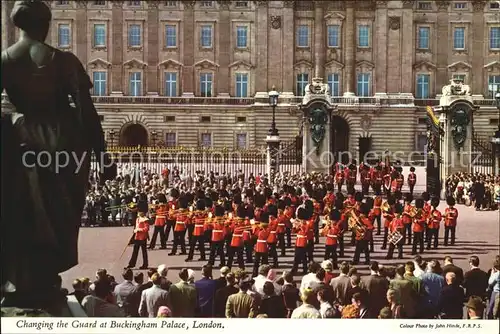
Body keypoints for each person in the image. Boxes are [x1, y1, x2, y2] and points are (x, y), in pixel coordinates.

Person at [1, 0, 113, 310]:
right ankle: (44, 274)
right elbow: (88, 115)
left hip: (18, 143)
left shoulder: (6, 60)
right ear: (46, 24)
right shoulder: (64, 62)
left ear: (17, 25)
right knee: (56, 216)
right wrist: (104, 158)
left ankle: (20, 277)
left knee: (20, 213)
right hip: (60, 145)